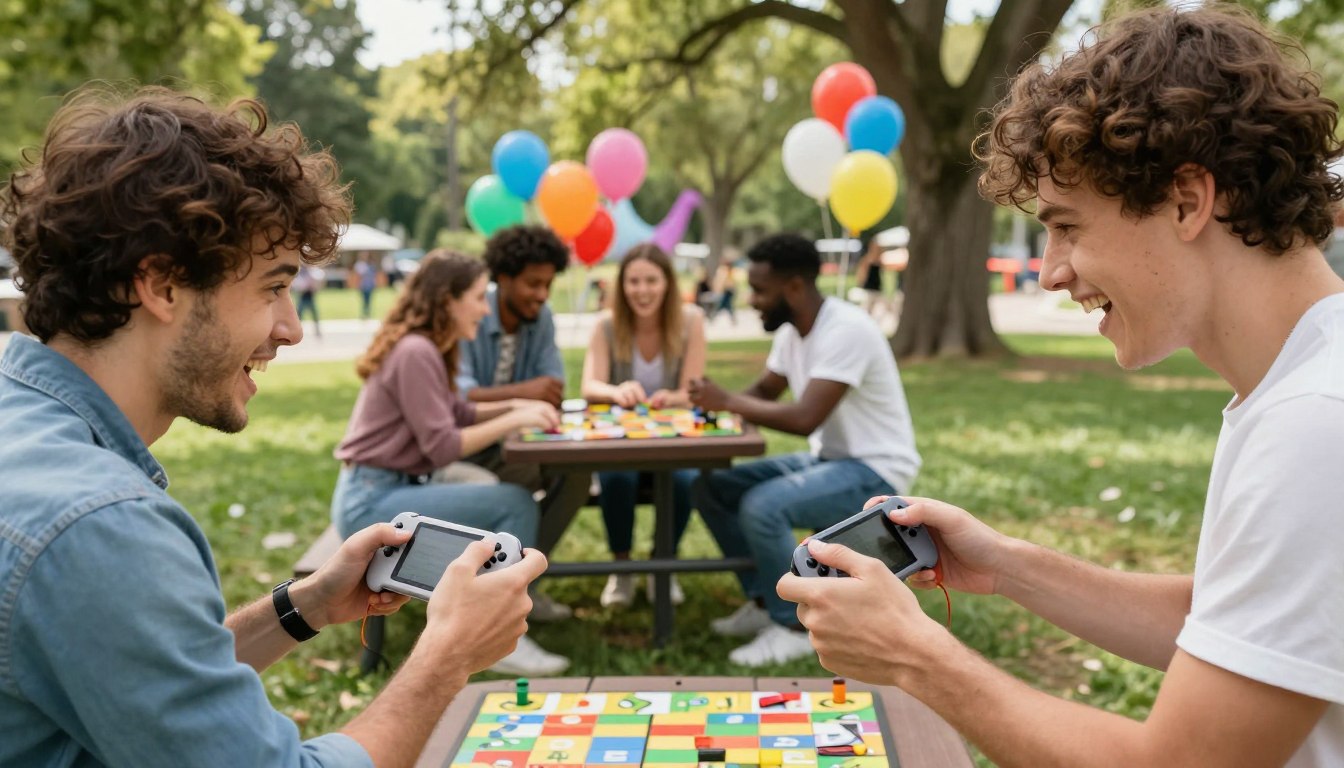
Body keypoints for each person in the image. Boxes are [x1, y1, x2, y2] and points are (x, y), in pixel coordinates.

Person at [779, 7, 1344, 766]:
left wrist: (917, 657)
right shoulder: (1306, 384)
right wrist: (1008, 565)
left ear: (1187, 199)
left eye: (1068, 226)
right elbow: (1230, 618)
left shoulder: (1316, 424)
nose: (1050, 272)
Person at [0, 87, 546, 767]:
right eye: (272, 287)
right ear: (162, 285)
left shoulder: (24, 434)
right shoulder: (98, 526)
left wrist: (303, 606)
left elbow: (146, 682)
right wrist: (446, 658)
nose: (290, 328)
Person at [331, 249, 571, 676]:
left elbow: (456, 413)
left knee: (502, 496)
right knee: (513, 503)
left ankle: (499, 608)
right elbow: (443, 445)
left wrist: (518, 402)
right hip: (372, 504)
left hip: (385, 491)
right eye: (479, 297)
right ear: (448, 300)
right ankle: (496, 633)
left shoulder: (429, 349)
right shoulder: (416, 352)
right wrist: (516, 416)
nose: (485, 307)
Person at [689, 233, 921, 666]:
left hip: (875, 471)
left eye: (760, 290)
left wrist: (727, 401)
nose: (752, 300)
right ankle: (762, 601)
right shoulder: (794, 331)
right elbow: (763, 391)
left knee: (763, 506)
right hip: (829, 459)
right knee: (713, 488)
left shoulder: (846, 330)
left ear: (793, 287)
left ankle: (795, 625)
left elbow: (803, 418)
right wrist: (700, 410)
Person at [581, 244, 707, 608]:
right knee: (617, 478)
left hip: (673, 441)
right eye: (633, 281)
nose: (642, 290)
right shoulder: (606, 324)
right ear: (622, 285)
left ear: (667, 283)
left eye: (651, 280)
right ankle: (623, 568)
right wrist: (617, 390)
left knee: (685, 480)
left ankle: (661, 565)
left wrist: (673, 397)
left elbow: (692, 388)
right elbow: (590, 387)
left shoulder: (690, 320)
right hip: (623, 441)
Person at [456, 225, 568, 488]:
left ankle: (533, 531)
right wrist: (527, 392)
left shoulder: (542, 318)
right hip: (464, 448)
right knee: (519, 488)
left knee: (573, 476)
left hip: (518, 441)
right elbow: (462, 397)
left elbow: (553, 386)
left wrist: (535, 392)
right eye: (533, 284)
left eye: (548, 284)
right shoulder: (473, 315)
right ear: (504, 279)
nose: (542, 295)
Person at [855, 239, 885, 317]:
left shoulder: (879, 260)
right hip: (868, 288)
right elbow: (862, 273)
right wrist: (860, 283)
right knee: (866, 309)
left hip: (877, 288)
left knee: (877, 311)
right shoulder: (867, 259)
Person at [292, 262, 322, 336]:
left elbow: (317, 282)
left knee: (315, 315)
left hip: (310, 296)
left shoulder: (311, 272)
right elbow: (298, 285)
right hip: (303, 296)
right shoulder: (301, 273)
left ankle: (317, 331)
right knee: (299, 315)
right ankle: (297, 330)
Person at [353, 252, 377, 320]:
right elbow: (358, 276)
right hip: (363, 285)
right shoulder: (359, 265)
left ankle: (368, 314)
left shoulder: (371, 264)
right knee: (363, 300)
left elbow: (373, 275)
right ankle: (364, 313)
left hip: (370, 285)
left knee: (369, 300)